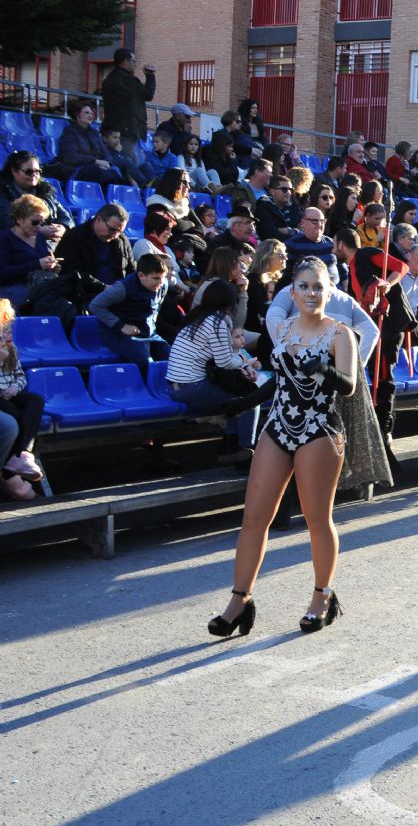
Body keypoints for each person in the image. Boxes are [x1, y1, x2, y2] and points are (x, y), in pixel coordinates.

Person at [207, 258, 358, 639]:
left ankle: (322, 596)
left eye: (318, 287)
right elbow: (278, 381)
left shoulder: (340, 334)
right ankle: (239, 601)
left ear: (329, 292)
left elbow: (349, 386)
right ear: (293, 292)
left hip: (319, 428)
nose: (311, 293)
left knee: (316, 519)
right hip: (278, 426)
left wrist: (321, 368)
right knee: (254, 516)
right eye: (304, 286)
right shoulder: (282, 329)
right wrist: (242, 404)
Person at [165, 279, 262, 457]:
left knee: (237, 401)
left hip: (178, 385)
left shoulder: (197, 316)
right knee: (249, 402)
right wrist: (244, 361)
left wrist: (240, 364)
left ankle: (231, 447)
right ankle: (246, 450)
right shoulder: (218, 321)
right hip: (191, 387)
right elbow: (224, 362)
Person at [90, 253, 170, 368]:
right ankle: (143, 385)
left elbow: (157, 307)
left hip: (148, 332)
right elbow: (95, 305)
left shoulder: (162, 285)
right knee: (144, 361)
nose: (160, 282)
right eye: (156, 278)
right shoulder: (122, 288)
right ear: (141, 276)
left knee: (172, 359)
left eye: (162, 278)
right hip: (119, 334)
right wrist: (121, 325)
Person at [0, 299, 44, 497]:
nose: (8, 334)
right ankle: (10, 468)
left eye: (9, 329)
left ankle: (23, 453)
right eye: (4, 330)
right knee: (13, 414)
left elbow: (20, 376)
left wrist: (14, 389)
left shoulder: (12, 349)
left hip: (10, 393)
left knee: (35, 400)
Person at [0, 195, 59, 306]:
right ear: (19, 219)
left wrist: (52, 268)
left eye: (41, 223)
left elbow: (42, 265)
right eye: (35, 222)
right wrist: (36, 264)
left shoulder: (40, 237)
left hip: (38, 286)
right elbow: (3, 273)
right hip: (12, 289)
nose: (39, 226)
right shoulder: (4, 238)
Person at [99, 48, 156, 164]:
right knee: (131, 166)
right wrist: (150, 76)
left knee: (127, 164)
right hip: (128, 130)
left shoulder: (108, 80)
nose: (135, 65)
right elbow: (148, 94)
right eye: (133, 61)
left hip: (113, 128)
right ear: (126, 61)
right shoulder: (128, 80)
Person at [53, 102, 124, 187]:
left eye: (91, 113)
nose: (90, 116)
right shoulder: (69, 133)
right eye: (87, 113)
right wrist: (95, 162)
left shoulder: (95, 133)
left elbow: (105, 152)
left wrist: (107, 164)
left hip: (98, 167)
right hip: (75, 170)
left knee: (117, 171)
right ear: (78, 116)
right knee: (99, 172)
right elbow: (71, 157)